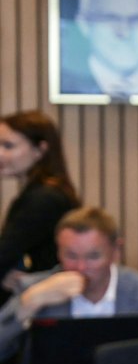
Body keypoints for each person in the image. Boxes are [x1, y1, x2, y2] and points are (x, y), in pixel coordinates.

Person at [0, 207, 138, 359]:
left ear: (116, 251)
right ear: (58, 252)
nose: (81, 267)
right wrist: (30, 301)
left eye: (93, 256)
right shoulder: (34, 288)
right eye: (71, 256)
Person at [0, 111, 81, 295]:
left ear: (40, 150)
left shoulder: (43, 199)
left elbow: (5, 254)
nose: (0, 154)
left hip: (43, 306)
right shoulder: (47, 192)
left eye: (8, 146)